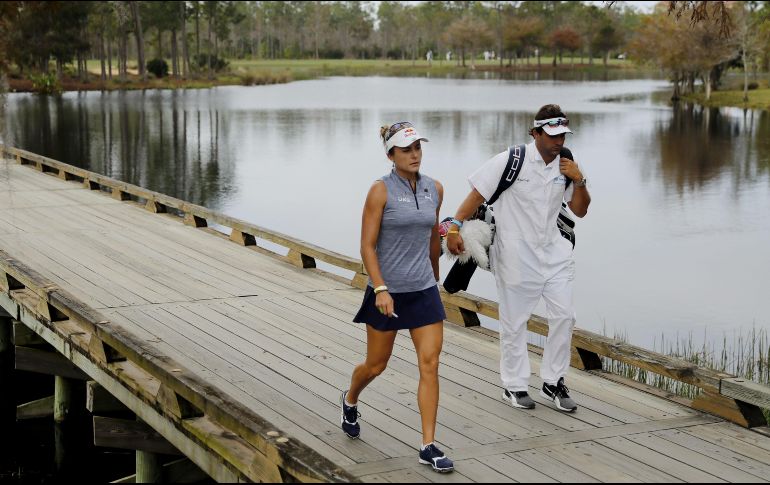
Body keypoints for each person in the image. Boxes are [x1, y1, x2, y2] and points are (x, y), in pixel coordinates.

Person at [447, 104, 591, 413]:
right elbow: (475, 195)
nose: (558, 141)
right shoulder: (511, 161)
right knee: (514, 323)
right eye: (551, 135)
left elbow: (580, 210)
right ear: (535, 133)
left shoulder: (567, 164)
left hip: (555, 254)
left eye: (562, 135)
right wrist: (453, 228)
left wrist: (579, 181)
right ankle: (514, 385)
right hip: (515, 255)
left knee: (565, 316)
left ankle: (553, 381)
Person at [341, 122, 454, 473]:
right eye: (407, 149)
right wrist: (380, 288)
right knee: (376, 365)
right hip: (386, 293)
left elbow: (432, 236)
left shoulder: (435, 188)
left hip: (422, 290)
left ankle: (428, 445)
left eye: (418, 147)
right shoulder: (380, 191)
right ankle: (350, 398)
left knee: (430, 363)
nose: (415, 154)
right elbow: (367, 246)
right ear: (391, 154)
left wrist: (437, 275)